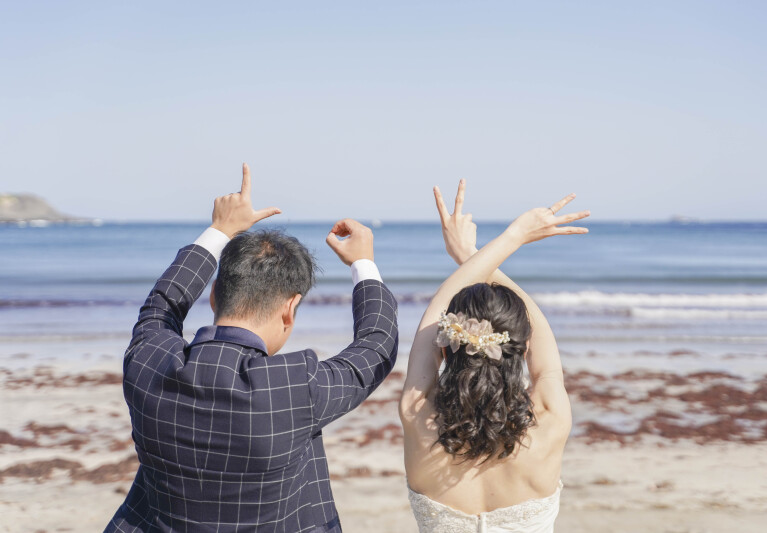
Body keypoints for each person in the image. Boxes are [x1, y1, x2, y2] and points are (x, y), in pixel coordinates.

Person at [106, 164, 399, 533]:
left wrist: (220, 230)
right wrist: (363, 263)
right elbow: (376, 347)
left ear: (213, 295)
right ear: (290, 310)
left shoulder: (148, 361)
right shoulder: (294, 387)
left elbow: (160, 307)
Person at [400, 181, 589, 533]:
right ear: (523, 345)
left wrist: (503, 243)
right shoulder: (549, 418)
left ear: (445, 344)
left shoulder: (417, 413)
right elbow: (544, 349)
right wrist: (477, 251)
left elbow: (436, 309)